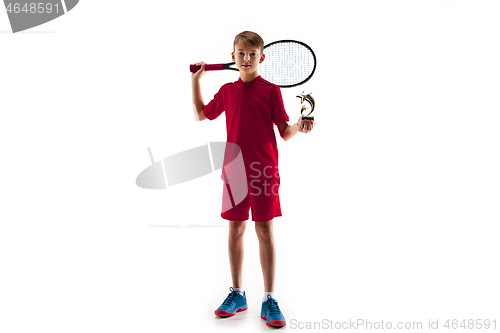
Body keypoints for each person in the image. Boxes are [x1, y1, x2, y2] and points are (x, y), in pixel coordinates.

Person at [191, 31, 315, 328]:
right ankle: (237, 294)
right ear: (233, 56)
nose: (246, 59)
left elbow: (284, 132)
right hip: (234, 171)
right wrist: (195, 82)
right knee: (235, 230)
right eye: (241, 53)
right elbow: (200, 115)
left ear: (261, 57)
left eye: (252, 54)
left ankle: (269, 299)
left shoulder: (271, 91)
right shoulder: (226, 91)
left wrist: (300, 125)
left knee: (264, 231)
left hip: (264, 170)